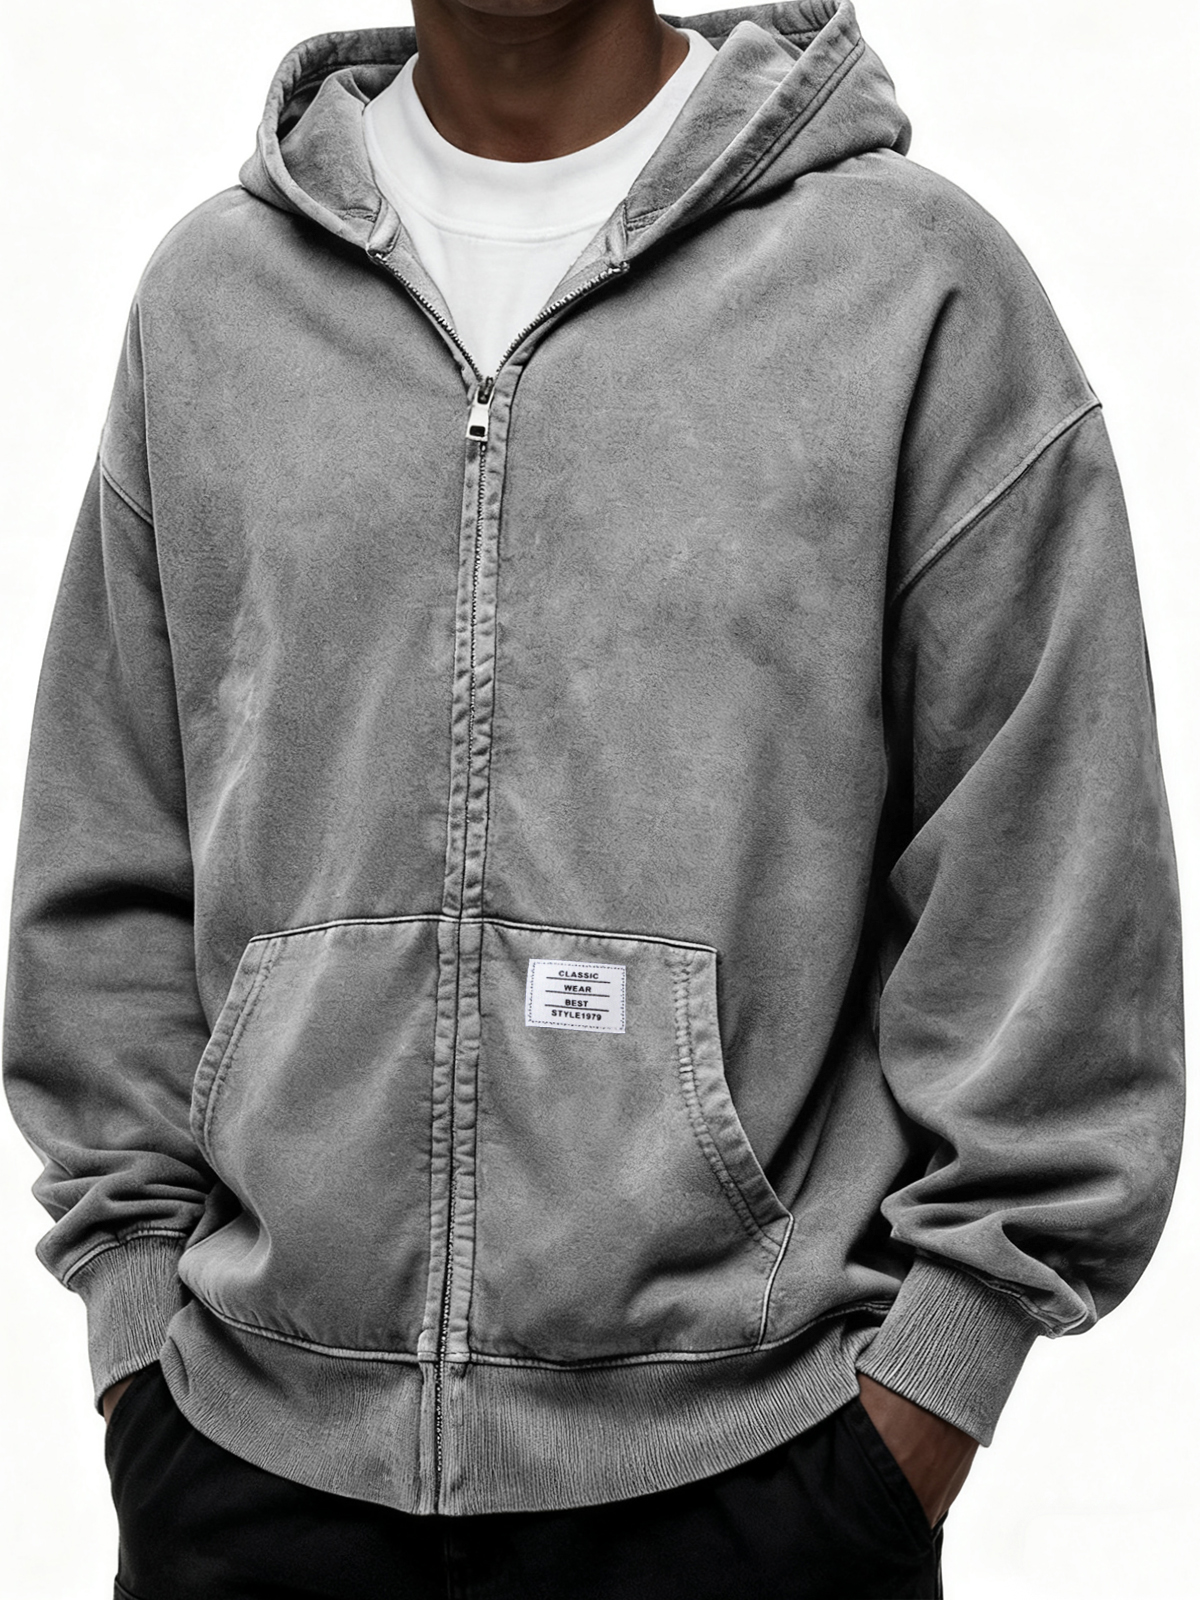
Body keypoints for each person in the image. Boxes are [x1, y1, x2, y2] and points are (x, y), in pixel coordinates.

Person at [2, 0, 1184, 1594]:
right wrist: (139, 1341)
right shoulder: (215, 304)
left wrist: (928, 1393)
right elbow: (108, 848)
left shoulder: (910, 288)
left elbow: (1052, 873)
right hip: (248, 1466)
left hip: (758, 1474)